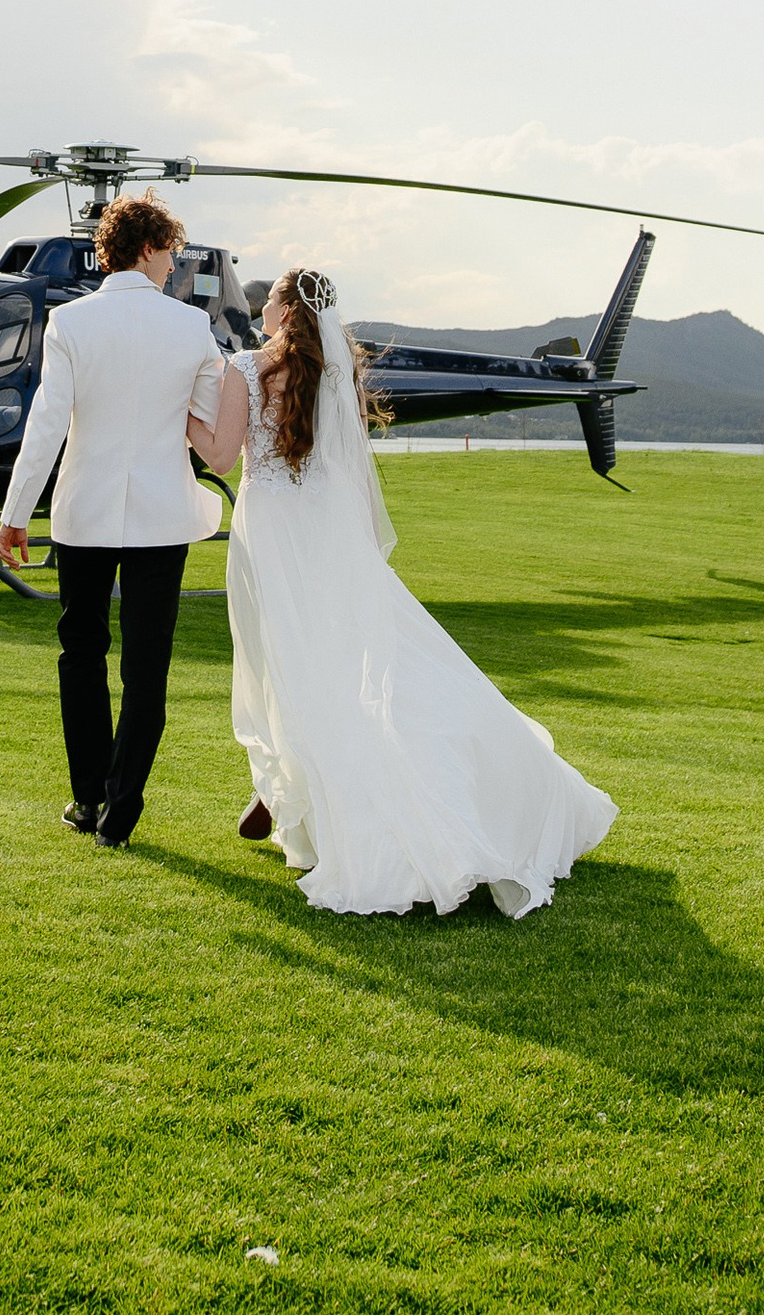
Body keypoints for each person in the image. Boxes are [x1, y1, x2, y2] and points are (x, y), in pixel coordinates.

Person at [195, 266, 615, 918]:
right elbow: (350, 465)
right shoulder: (337, 374)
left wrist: (181, 420)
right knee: (349, 657)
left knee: (290, 663)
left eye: (270, 299)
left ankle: (297, 790)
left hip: (275, 530)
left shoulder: (245, 369)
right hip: (331, 528)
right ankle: (291, 790)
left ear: (286, 310)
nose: (262, 308)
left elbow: (221, 457)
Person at [0, 190, 225, 847]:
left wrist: (15, 516)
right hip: (163, 516)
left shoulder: (71, 323)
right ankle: (118, 816)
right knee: (146, 668)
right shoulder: (189, 326)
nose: (173, 269)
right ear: (150, 247)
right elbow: (204, 423)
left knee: (82, 654)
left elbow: (45, 428)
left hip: (83, 514)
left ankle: (88, 798)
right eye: (171, 255)